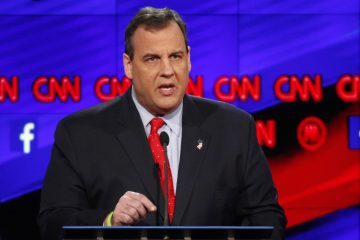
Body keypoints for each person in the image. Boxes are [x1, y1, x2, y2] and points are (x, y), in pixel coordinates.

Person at [38, 6, 287, 240]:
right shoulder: (80, 134)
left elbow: (268, 219)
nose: (167, 70)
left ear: (188, 59)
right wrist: (109, 222)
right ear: (129, 65)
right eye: (152, 59)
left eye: (176, 56)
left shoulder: (234, 127)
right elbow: (53, 223)